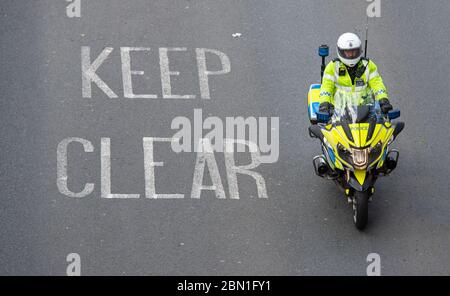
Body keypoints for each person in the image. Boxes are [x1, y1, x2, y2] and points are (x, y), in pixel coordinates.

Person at [318, 32, 393, 115]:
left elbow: (377, 85)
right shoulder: (333, 67)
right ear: (340, 51)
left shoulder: (368, 65)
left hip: (367, 111)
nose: (351, 55)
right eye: (347, 52)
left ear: (359, 50)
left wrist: (383, 100)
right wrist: (324, 104)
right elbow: (326, 87)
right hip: (338, 112)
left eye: (353, 51)